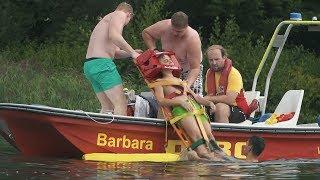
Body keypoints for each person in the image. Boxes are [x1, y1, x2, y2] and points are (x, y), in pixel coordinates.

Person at [150, 53, 223, 161]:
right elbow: (161, 101)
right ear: (158, 65)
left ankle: (214, 156)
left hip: (196, 108)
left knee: (209, 135)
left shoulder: (181, 82)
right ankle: (203, 156)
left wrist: (209, 103)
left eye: (169, 59)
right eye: (165, 60)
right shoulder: (159, 83)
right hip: (181, 110)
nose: (169, 61)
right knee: (197, 136)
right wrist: (179, 102)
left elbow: (196, 97)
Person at [84, 2, 140, 115]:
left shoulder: (106, 21)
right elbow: (114, 36)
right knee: (121, 104)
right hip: (102, 65)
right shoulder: (120, 14)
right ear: (129, 15)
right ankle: (119, 133)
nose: (126, 24)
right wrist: (133, 53)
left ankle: (101, 132)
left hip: (90, 65)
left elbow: (115, 53)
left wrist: (131, 53)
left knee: (107, 107)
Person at [142, 11, 203, 95]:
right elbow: (146, 33)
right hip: (168, 70)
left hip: (189, 71)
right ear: (170, 24)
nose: (175, 33)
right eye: (173, 30)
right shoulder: (164, 26)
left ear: (186, 27)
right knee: (166, 98)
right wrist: (154, 50)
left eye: (179, 32)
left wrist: (186, 86)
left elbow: (195, 68)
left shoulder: (192, 38)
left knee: (193, 99)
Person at [204, 45, 246, 123]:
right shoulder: (208, 73)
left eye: (217, 59)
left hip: (239, 110)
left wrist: (208, 99)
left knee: (220, 108)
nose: (214, 63)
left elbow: (230, 99)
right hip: (215, 106)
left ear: (224, 57)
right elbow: (208, 96)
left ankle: (222, 135)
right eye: (211, 60)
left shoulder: (233, 73)